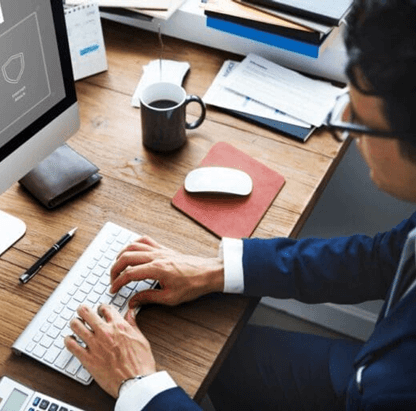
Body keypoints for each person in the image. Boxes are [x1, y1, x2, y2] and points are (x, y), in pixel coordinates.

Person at [63, 0, 416, 409]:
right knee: (222, 356)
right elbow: (380, 259)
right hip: (366, 369)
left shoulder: (397, 394)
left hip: (372, 387)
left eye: (358, 122)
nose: (351, 137)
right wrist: (217, 270)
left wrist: (139, 384)